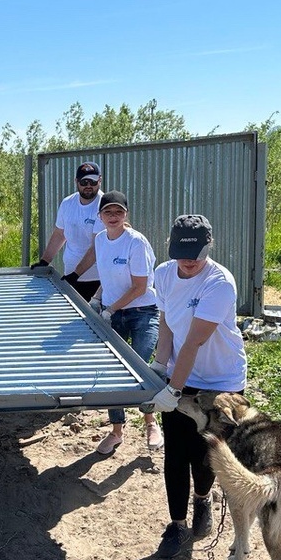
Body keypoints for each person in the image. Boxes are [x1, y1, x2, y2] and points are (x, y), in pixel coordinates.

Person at [147, 214, 248, 558]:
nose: (188, 262)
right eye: (181, 253)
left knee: (207, 453)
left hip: (221, 381)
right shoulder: (163, 274)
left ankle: (202, 500)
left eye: (196, 254)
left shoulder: (219, 282)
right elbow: (167, 326)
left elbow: (193, 343)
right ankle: (177, 526)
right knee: (176, 453)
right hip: (181, 373)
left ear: (210, 246)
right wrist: (160, 368)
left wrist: (172, 392)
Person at [66, 191, 160, 455]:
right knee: (111, 371)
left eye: (118, 212)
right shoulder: (100, 240)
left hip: (142, 312)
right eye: (108, 212)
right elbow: (95, 262)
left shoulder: (135, 242)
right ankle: (117, 431)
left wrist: (110, 309)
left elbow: (140, 286)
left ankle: (151, 423)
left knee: (141, 370)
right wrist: (74, 278)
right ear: (100, 216)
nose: (113, 217)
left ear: (126, 215)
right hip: (113, 312)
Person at [32, 161, 104, 301]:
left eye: (93, 182)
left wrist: (76, 275)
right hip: (71, 275)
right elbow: (60, 234)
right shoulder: (67, 203)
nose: (89, 186)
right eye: (84, 182)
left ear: (100, 180)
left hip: (96, 279)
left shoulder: (104, 205)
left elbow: (96, 247)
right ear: (76, 181)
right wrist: (44, 261)